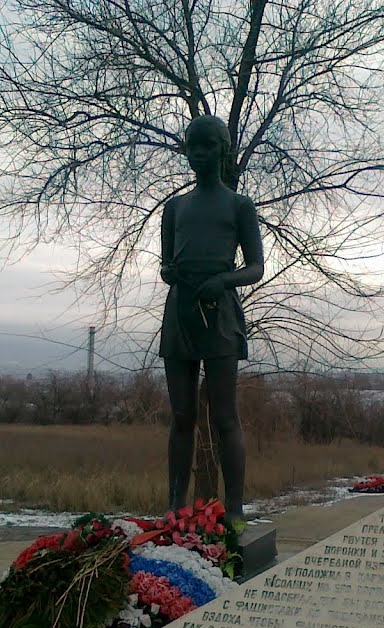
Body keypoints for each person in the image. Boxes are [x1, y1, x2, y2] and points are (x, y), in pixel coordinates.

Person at [159, 115, 264, 527]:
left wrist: (223, 280)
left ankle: (235, 510)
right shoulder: (174, 208)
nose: (199, 154)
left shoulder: (239, 205)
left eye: (207, 146)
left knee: (224, 417)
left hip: (219, 315)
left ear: (222, 150)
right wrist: (170, 272)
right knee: (182, 416)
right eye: (193, 146)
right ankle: (174, 506)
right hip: (180, 313)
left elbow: (255, 267)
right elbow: (167, 262)